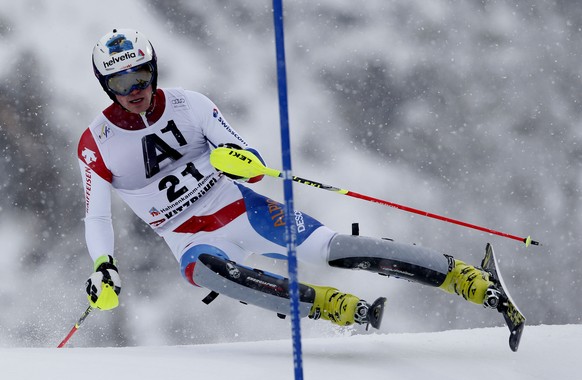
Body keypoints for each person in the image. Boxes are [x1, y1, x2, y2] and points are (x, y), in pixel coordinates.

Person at [78, 29, 502, 332]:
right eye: (120, 83)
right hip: (186, 235)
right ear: (106, 86)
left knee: (334, 250)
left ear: (154, 70)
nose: (135, 90)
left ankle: (465, 277)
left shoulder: (191, 105)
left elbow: (255, 165)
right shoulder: (96, 142)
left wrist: (238, 162)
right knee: (208, 272)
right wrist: (104, 266)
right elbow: (97, 216)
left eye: (141, 76)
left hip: (242, 209)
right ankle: (335, 309)